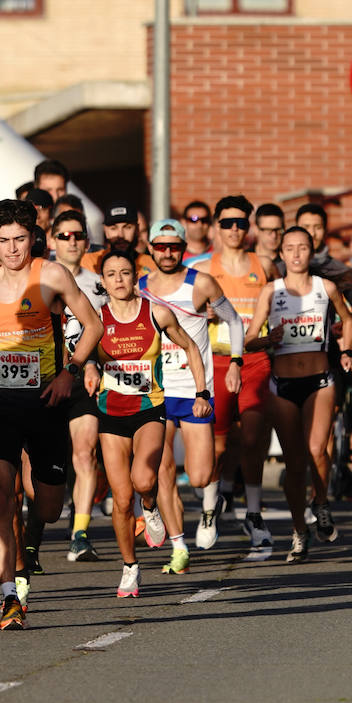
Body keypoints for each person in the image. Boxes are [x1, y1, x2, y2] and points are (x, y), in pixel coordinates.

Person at [0, 199, 102, 630]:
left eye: (20, 239)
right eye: (3, 240)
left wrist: (70, 372)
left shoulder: (51, 275)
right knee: (1, 493)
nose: (12, 249)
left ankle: (35, 536)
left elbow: (93, 326)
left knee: (47, 504)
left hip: (47, 399)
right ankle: (9, 591)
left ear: (34, 238)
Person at [84, 249, 209, 596]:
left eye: (126, 273)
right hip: (110, 414)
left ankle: (151, 506)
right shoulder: (96, 319)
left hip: (148, 409)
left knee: (143, 481)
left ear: (134, 276)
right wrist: (91, 367)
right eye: (112, 274)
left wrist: (203, 392)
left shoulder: (156, 312)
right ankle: (130, 567)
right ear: (103, 281)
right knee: (121, 500)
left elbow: (192, 347)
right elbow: (79, 353)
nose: (119, 280)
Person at [244, 226, 352, 561]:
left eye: (302, 248)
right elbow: (249, 339)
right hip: (283, 384)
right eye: (289, 248)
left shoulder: (327, 287)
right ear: (281, 253)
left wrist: (347, 351)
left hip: (320, 379)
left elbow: (348, 321)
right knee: (294, 462)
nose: (296, 254)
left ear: (312, 251)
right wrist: (270, 338)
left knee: (316, 450)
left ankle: (320, 502)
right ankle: (299, 531)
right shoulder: (270, 291)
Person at [140, 219, 244, 570]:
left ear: (183, 248)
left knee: (198, 475)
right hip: (156, 390)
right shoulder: (139, 287)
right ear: (150, 247)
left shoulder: (200, 282)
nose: (167, 253)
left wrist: (235, 362)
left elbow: (234, 321)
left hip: (195, 390)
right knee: (161, 470)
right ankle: (177, 543)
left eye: (173, 246)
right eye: (160, 246)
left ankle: (210, 504)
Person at [204, 196, 279, 548]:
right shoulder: (204, 268)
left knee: (252, 438)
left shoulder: (263, 264)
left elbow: (280, 305)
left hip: (255, 360)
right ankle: (210, 506)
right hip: (217, 360)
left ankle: (253, 512)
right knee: (217, 446)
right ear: (216, 227)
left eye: (240, 223)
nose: (234, 229)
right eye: (227, 223)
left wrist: (277, 333)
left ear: (248, 227)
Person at [45, 209, 107, 564]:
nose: (72, 242)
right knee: (47, 461)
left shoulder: (100, 282)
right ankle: (32, 533)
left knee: (85, 454)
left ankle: (80, 534)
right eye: (64, 235)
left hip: (84, 377)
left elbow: (104, 332)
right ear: (53, 240)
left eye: (78, 236)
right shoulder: (40, 276)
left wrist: (93, 363)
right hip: (42, 379)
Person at [81, 205, 157, 275]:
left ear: (137, 229)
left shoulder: (153, 265)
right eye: (113, 228)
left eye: (127, 227)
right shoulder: (89, 262)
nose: (121, 235)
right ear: (105, 231)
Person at [180, 200, 214, 265]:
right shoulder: (175, 253)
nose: (199, 224)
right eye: (193, 219)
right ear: (183, 222)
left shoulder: (218, 251)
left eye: (204, 220)